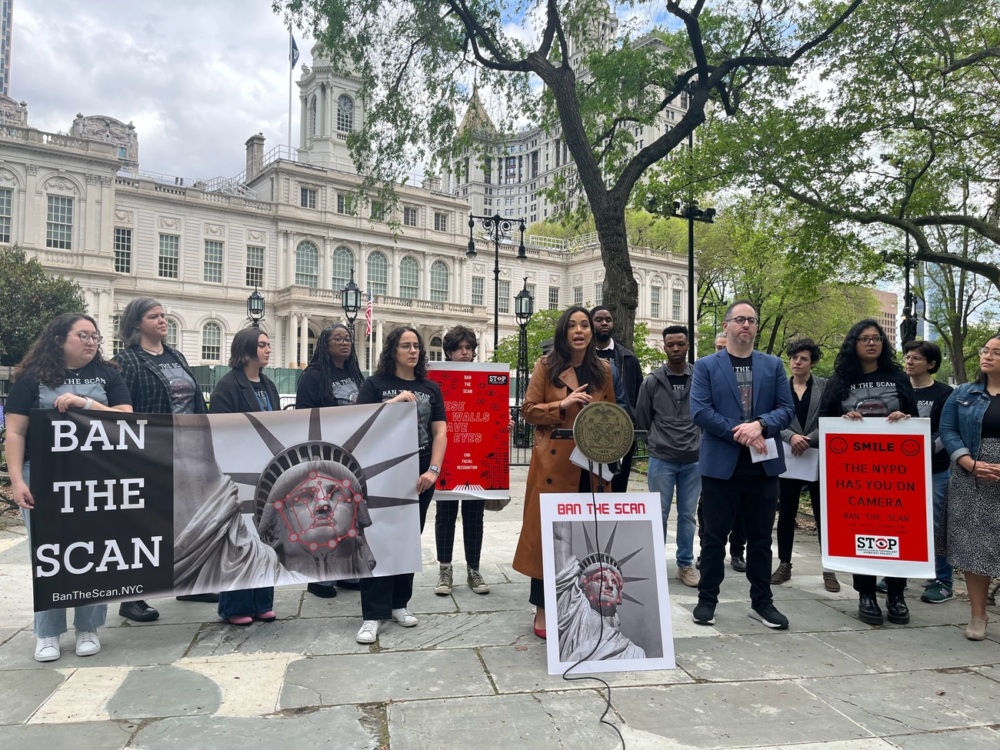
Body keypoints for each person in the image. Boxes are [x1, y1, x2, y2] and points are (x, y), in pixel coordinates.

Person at [7, 313, 134, 662]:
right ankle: (47, 633)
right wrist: (18, 480)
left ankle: (88, 627)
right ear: (60, 339)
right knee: (48, 554)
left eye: (95, 336)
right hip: (43, 479)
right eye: (83, 335)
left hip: (94, 479)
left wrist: (87, 404)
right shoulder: (33, 378)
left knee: (94, 552)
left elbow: (126, 416)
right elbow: (16, 432)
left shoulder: (108, 373)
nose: (91, 342)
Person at [690, 300, 795, 629]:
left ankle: (762, 602)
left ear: (756, 327)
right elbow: (700, 411)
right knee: (713, 538)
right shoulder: (706, 366)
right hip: (721, 465)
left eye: (751, 320)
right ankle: (707, 600)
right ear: (726, 326)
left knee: (762, 538)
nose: (745, 325)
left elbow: (785, 409)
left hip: (763, 466)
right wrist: (743, 432)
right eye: (739, 319)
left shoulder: (774, 365)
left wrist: (760, 425)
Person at [513, 306, 616, 638]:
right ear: (564, 332)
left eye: (584, 325)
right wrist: (562, 405)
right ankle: (543, 607)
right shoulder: (546, 366)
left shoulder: (604, 369)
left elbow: (611, 413)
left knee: (589, 537)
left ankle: (584, 605)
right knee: (550, 539)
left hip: (592, 464)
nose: (579, 331)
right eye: (572, 325)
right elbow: (528, 411)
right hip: (554, 466)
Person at [115, 296, 213, 621]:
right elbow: (120, 412)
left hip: (187, 450)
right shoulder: (126, 361)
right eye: (154, 316)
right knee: (144, 525)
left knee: (187, 520)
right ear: (136, 323)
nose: (162, 321)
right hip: (150, 453)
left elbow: (195, 402)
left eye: (164, 316)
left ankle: (188, 583)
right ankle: (132, 597)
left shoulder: (177, 356)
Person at [819, 319, 919, 626]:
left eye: (876, 338)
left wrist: (905, 416)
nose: (871, 343)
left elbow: (916, 417)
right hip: (855, 472)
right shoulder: (839, 381)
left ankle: (897, 594)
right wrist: (842, 418)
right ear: (854, 344)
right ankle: (865, 594)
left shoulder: (897, 377)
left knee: (897, 531)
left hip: (895, 473)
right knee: (860, 529)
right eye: (864, 339)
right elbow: (824, 419)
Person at [354, 326, 447, 644]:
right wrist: (393, 403)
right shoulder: (375, 385)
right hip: (379, 474)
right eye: (406, 346)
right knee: (378, 539)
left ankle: (398, 604)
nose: (413, 351)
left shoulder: (431, 388)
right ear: (392, 350)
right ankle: (371, 614)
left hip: (419, 475)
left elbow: (440, 432)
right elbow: (357, 424)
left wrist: (433, 470)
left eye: (417, 346)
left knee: (408, 539)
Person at [208, 327, 281, 625]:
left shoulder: (270, 385)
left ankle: (262, 601)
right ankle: (235, 605)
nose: (267, 349)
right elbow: (220, 429)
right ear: (247, 349)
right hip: (238, 471)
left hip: (268, 472)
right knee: (238, 539)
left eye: (268, 344)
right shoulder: (227, 386)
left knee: (265, 535)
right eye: (262, 345)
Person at [295, 323, 366, 599]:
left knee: (345, 514)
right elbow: (304, 416)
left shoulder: (355, 375)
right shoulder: (312, 377)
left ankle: (345, 572)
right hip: (324, 456)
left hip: (351, 456)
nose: (344, 342)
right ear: (325, 345)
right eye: (337, 339)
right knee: (321, 516)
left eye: (347, 338)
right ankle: (319, 578)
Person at [939, 336, 1000, 641]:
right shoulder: (964, 393)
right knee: (976, 547)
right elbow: (947, 429)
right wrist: (967, 461)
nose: (987, 356)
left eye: (996, 352)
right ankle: (978, 614)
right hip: (971, 477)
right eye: (985, 350)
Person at [635, 325, 701, 587]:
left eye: (680, 344)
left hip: (694, 458)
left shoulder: (700, 378)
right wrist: (656, 441)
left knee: (687, 514)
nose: (675, 348)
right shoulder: (651, 381)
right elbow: (642, 418)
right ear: (664, 347)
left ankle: (685, 564)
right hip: (661, 458)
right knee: (658, 513)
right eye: (671, 344)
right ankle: (654, 563)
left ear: (687, 346)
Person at [772, 338, 839, 592]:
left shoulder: (825, 386)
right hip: (789, 458)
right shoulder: (780, 387)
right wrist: (791, 436)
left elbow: (834, 417)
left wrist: (811, 438)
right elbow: (770, 418)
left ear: (812, 362)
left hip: (818, 456)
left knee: (824, 515)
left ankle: (829, 569)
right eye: (794, 358)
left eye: (803, 359)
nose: (797, 362)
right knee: (786, 514)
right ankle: (784, 564)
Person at [434, 325, 490, 596]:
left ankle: (474, 570)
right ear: (449, 351)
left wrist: (502, 423)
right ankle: (445, 570)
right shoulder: (436, 380)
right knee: (445, 515)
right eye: (460, 348)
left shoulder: (483, 377)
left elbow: (490, 412)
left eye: (469, 348)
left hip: (475, 457)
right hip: (447, 455)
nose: (465, 353)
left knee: (474, 515)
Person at [902, 339, 953, 604]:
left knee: (935, 525)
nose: (909, 361)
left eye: (916, 358)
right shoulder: (899, 390)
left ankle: (943, 580)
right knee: (903, 523)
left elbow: (945, 431)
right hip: (900, 474)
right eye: (908, 357)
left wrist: (919, 454)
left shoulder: (945, 393)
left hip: (934, 470)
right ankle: (898, 574)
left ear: (931, 364)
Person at [552, 522, 645, 661]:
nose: (609, 585)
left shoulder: (633, 652)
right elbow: (560, 538)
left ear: (619, 597)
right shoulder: (574, 610)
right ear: (583, 586)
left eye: (614, 582)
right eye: (600, 579)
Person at [695, 335, 748, 572]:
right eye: (718, 347)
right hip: (716, 452)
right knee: (707, 510)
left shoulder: (749, 374)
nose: (722, 351)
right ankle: (706, 551)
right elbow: (701, 411)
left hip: (749, 453)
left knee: (741, 512)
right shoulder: (706, 369)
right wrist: (738, 431)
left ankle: (738, 552)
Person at [591, 306, 643, 492]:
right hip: (589, 432)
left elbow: (639, 393)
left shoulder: (628, 357)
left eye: (608, 319)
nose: (604, 323)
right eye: (599, 319)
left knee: (618, 487)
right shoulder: (582, 356)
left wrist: (634, 420)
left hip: (621, 433)